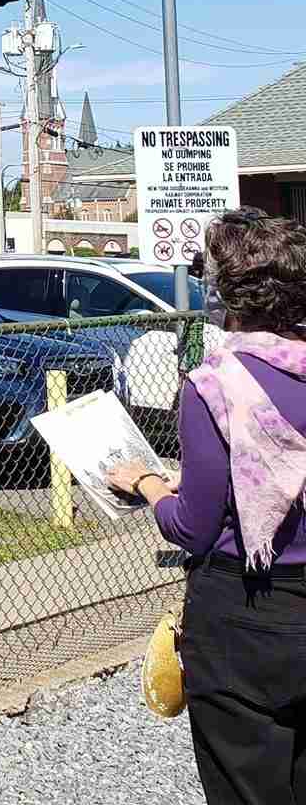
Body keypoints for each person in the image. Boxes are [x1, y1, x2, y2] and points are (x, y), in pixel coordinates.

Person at [107, 208, 306, 805]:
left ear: (225, 295)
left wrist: (145, 483)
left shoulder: (214, 386)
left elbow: (192, 528)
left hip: (244, 615)